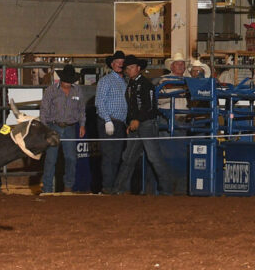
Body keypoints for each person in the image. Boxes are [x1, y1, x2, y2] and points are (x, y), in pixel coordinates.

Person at [114, 55, 174, 196]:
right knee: (129, 157)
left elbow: (150, 106)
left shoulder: (146, 84)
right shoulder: (131, 84)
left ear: (138, 68)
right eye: (127, 68)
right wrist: (131, 121)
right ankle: (119, 188)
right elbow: (134, 107)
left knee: (153, 157)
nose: (129, 70)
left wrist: (136, 120)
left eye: (132, 67)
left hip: (146, 124)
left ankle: (166, 189)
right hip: (137, 124)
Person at [40, 64, 86, 194]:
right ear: (61, 79)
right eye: (66, 80)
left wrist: (82, 124)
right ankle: (47, 188)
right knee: (51, 159)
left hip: (70, 127)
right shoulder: (51, 90)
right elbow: (44, 110)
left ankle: (68, 186)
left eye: (70, 81)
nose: (68, 83)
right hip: (54, 127)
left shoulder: (77, 90)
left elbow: (81, 109)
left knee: (71, 158)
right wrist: (44, 128)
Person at [94, 50, 128, 194]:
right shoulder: (106, 80)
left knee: (117, 156)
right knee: (109, 155)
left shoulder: (125, 82)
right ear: (112, 64)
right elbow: (99, 102)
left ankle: (114, 186)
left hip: (120, 123)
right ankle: (107, 187)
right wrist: (107, 120)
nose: (120, 64)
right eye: (117, 62)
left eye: (122, 62)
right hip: (108, 121)